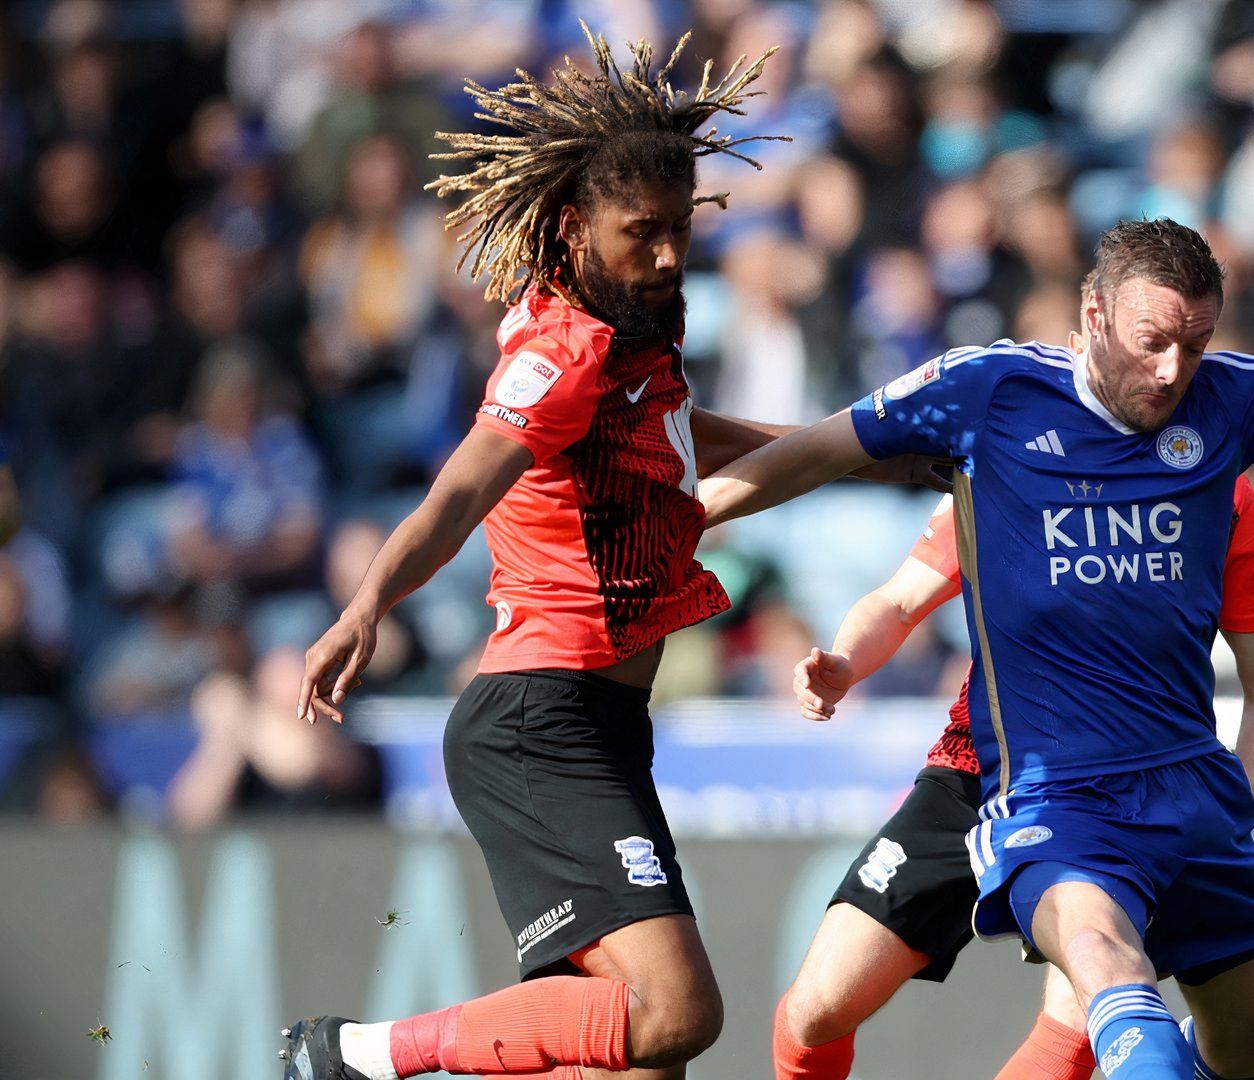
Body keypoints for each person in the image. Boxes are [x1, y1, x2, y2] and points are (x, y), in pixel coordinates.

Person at [700, 218, 1254, 1078]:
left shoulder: (1230, 432)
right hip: (1027, 777)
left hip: (1185, 792)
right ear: (1094, 315)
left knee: (1251, 1043)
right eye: (1154, 340)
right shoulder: (992, 402)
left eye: (1195, 345)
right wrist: (696, 520)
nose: (1173, 372)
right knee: (1046, 979)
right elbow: (827, 468)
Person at [279, 27, 935, 1080]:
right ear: (574, 226)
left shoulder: (637, 328)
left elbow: (687, 433)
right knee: (678, 1012)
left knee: (637, 1061)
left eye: (682, 229)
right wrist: (367, 604)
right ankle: (360, 1054)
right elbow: (458, 492)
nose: (671, 254)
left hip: (599, 729)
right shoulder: (562, 353)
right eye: (644, 233)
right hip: (542, 726)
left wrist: (864, 454)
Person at [775, 476, 1254, 1080]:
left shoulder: (1217, 489)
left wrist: (1231, 831)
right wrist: (844, 660)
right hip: (975, 770)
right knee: (816, 1010)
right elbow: (898, 599)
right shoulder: (1007, 459)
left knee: (1083, 1031)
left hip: (1117, 802)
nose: (1166, 375)